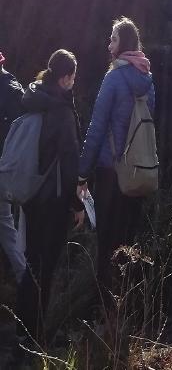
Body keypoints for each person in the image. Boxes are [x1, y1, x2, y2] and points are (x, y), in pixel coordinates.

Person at [77, 17, 155, 300]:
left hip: (111, 172)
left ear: (122, 43)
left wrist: (82, 173)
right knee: (127, 241)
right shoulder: (148, 79)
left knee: (106, 242)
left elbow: (96, 128)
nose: (108, 43)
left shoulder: (113, 78)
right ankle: (126, 305)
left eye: (112, 38)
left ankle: (103, 307)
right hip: (138, 172)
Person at [17, 51, 84, 344]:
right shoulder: (62, 111)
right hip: (54, 199)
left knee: (31, 259)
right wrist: (77, 204)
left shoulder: (34, 97)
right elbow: (70, 163)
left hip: (31, 192)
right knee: (47, 266)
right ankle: (39, 334)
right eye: (73, 76)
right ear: (65, 77)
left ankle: (22, 326)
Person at [0, 53, 26, 284]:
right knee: (7, 228)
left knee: (6, 227)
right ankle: (24, 278)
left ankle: (24, 278)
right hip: (9, 168)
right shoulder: (12, 86)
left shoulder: (7, 89)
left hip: (3, 167)